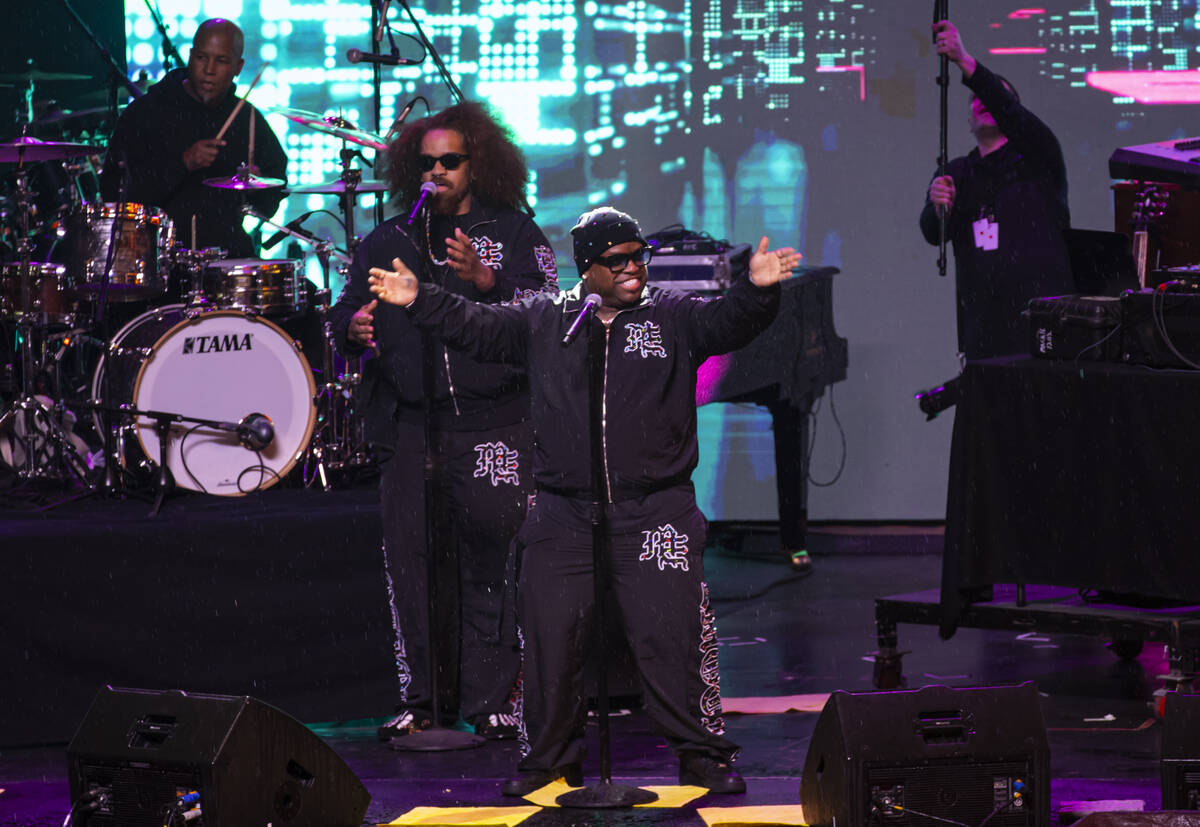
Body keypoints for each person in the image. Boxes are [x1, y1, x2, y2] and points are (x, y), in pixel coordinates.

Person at [367, 206, 801, 795]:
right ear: (586, 267)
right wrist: (420, 299)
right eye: (615, 261)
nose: (632, 269)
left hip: (655, 512)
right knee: (550, 641)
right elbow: (477, 326)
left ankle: (702, 755)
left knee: (670, 638)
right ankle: (546, 760)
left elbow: (728, 323)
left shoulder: (671, 316)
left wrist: (756, 289)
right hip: (563, 513)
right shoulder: (547, 319)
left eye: (638, 257)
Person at [328, 101, 558, 741]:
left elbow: (546, 315)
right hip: (409, 428)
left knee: (492, 565)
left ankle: (492, 702)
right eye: (426, 163)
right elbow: (343, 311)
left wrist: (485, 280)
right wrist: (352, 326)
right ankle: (424, 699)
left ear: (476, 162)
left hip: (493, 425)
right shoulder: (388, 239)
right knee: (412, 565)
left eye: (449, 161)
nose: (437, 172)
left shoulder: (514, 232)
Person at [919, 20, 1073, 361]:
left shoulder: (1038, 160)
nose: (982, 102)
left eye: (994, 96)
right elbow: (933, 232)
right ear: (968, 123)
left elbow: (1010, 112)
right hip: (984, 329)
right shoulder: (957, 172)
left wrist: (966, 64)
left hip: (1043, 325)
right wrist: (937, 207)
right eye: (975, 99)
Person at [99, 19, 287, 257]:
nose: (209, 69)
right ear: (190, 57)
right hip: (155, 259)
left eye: (221, 61)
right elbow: (113, 191)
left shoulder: (246, 118)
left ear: (237, 67)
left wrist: (257, 187)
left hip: (226, 255)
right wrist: (183, 163)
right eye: (201, 58)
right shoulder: (146, 113)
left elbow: (276, 185)